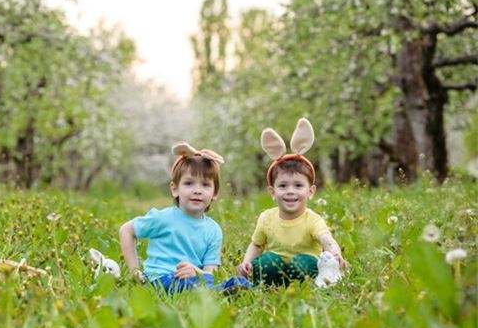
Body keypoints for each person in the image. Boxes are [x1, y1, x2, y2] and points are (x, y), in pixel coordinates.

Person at [237, 118, 347, 287]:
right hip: (275, 268)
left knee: (302, 263)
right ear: (272, 192)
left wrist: (335, 253)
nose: (290, 191)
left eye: (298, 185)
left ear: (310, 192)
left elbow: (326, 239)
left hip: (303, 267)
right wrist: (246, 262)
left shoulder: (312, 219)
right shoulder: (266, 218)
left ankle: (304, 287)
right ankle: (269, 289)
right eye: (282, 185)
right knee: (265, 261)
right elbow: (257, 245)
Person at [119, 141, 226, 294]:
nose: (197, 191)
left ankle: (226, 288)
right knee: (194, 286)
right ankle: (219, 291)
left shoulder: (213, 230)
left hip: (192, 279)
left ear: (215, 193)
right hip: (160, 279)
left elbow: (210, 274)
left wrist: (197, 272)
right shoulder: (163, 218)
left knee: (217, 283)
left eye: (205, 185)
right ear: (175, 189)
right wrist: (135, 271)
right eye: (189, 183)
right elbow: (126, 230)